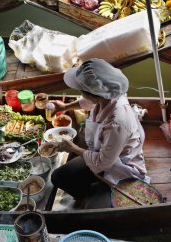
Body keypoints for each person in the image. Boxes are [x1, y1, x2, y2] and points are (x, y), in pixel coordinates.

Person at [50, 58, 149, 206]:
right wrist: (64, 107)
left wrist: (73, 148)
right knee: (58, 176)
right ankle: (85, 192)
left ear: (92, 94)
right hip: (105, 152)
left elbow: (103, 162)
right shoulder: (108, 93)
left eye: (81, 90)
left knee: (87, 204)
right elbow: (87, 102)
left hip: (119, 162)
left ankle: (89, 196)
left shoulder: (117, 123)